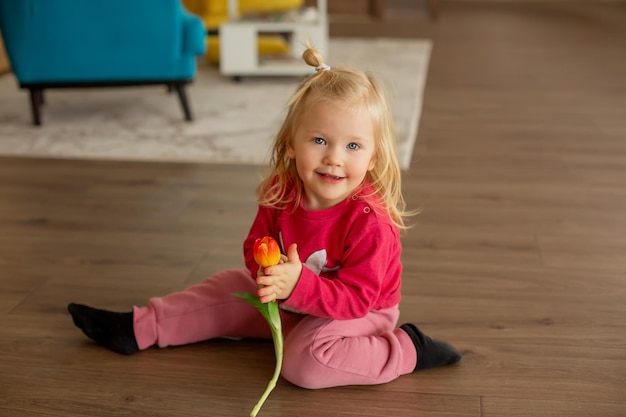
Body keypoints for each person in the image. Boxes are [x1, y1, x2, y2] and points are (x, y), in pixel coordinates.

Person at [68, 45, 461, 390]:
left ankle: (407, 349)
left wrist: (298, 286)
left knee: (303, 364)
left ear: (372, 158)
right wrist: (267, 270)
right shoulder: (281, 193)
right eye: (319, 140)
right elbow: (254, 247)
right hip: (292, 301)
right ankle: (139, 329)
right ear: (292, 145)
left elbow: (358, 299)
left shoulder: (369, 220)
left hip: (360, 313)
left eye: (353, 145)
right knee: (226, 288)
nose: (334, 158)